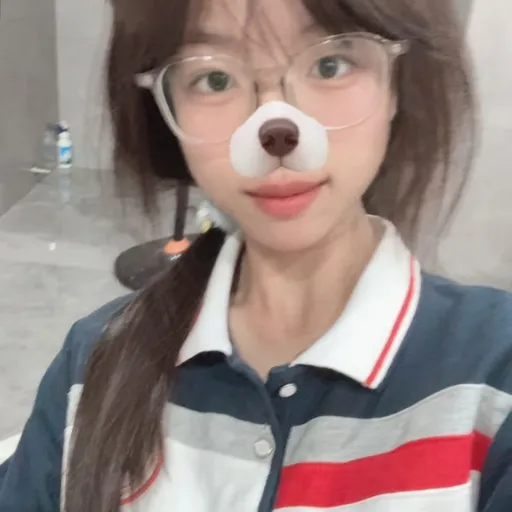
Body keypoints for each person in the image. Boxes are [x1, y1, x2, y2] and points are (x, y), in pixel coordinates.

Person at [1, 0, 511, 510]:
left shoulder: (494, 377)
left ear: (396, 84)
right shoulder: (94, 364)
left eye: (330, 64)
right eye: (215, 79)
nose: (276, 131)